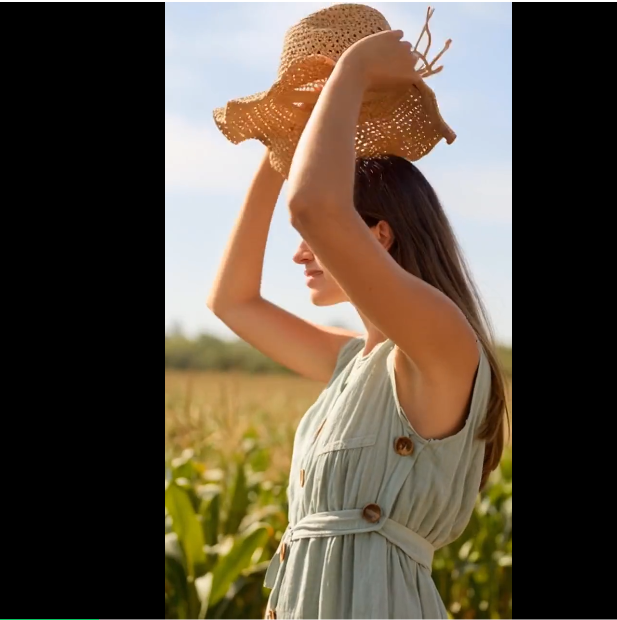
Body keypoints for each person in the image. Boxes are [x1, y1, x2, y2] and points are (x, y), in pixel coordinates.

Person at [207, 27, 508, 620]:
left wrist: (353, 68)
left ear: (378, 235)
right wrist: (284, 145)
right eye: (306, 242)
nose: (300, 252)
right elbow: (231, 302)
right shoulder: (355, 363)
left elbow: (314, 208)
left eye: (314, 243)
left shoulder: (442, 344)